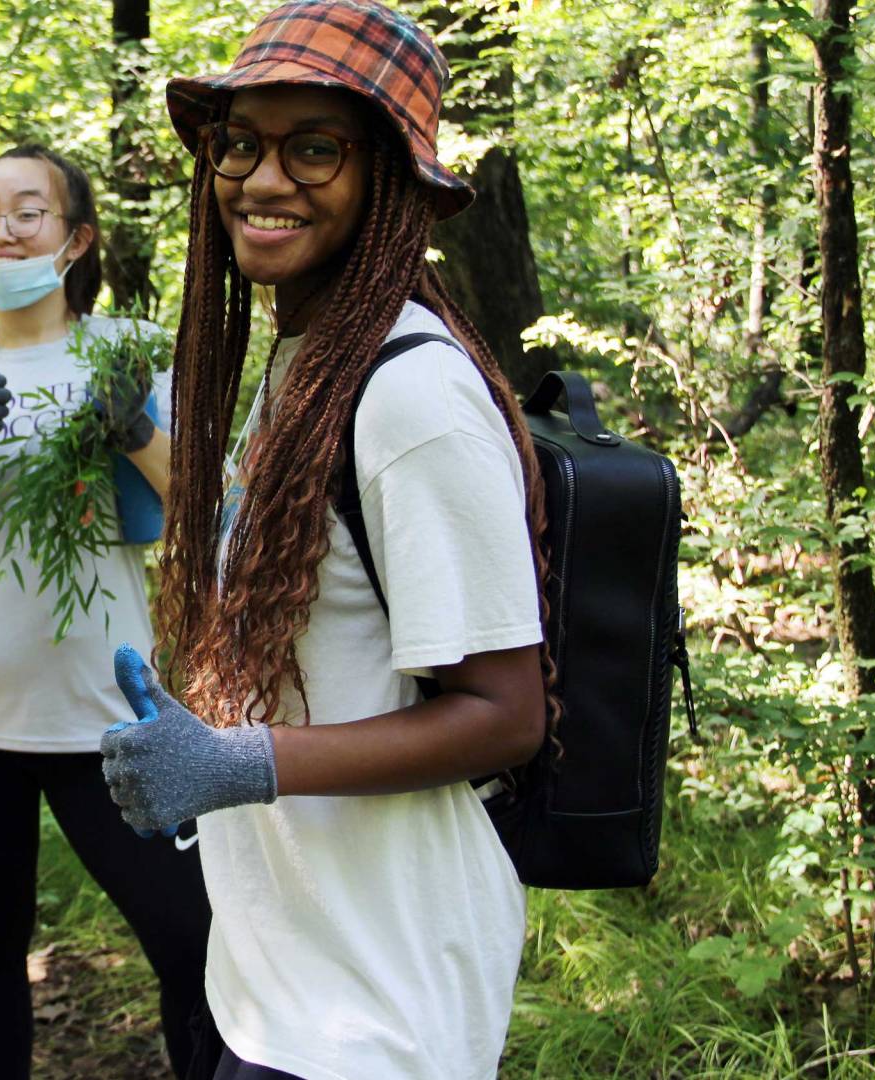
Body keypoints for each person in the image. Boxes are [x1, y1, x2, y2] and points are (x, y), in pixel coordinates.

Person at [97, 3, 554, 1078]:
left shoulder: (412, 395)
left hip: (378, 1009)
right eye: (239, 143)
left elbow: (505, 712)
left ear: (389, 177)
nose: (263, 179)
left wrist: (236, 763)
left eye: (314, 148)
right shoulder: (307, 361)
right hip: (284, 984)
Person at [0, 145, 217, 1080]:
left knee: (188, 936)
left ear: (74, 239)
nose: (1, 228)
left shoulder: (131, 353)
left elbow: (202, 515)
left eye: (27, 211)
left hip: (106, 712)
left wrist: (139, 429)